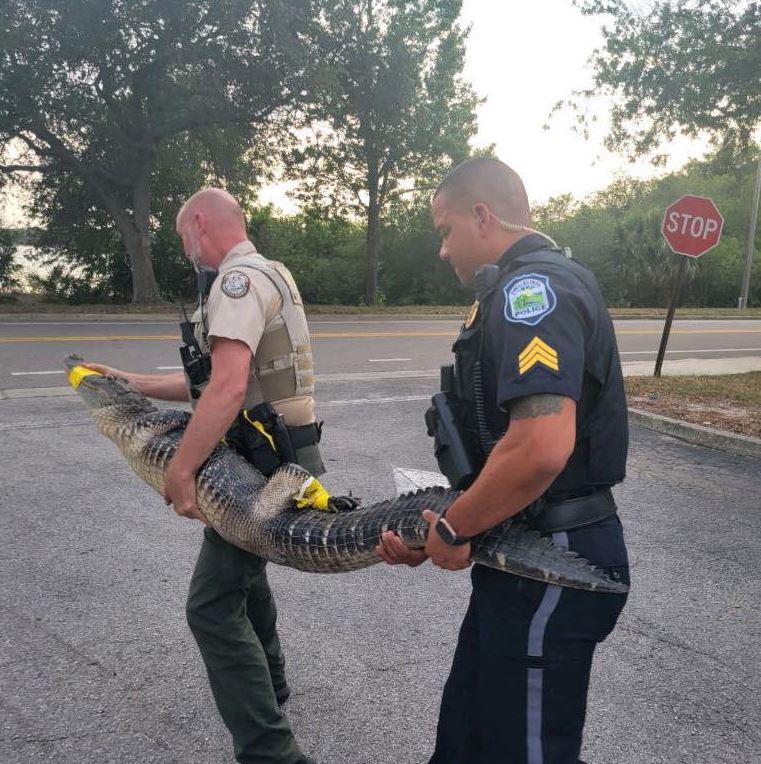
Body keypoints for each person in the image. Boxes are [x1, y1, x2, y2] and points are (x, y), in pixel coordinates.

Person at [376, 158, 630, 764]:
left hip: (554, 559)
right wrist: (444, 531)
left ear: (483, 217)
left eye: (445, 230)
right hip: (517, 551)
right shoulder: (515, 289)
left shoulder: (532, 291)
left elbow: (541, 445)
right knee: (465, 744)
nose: (442, 250)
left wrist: (457, 528)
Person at [87, 188, 319, 764]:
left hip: (264, 467)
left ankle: (271, 752)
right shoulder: (272, 273)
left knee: (211, 607)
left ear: (198, 223)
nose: (184, 248)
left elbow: (227, 387)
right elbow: (212, 376)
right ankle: (273, 686)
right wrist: (132, 382)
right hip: (277, 459)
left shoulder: (235, 281)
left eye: (181, 235)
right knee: (243, 574)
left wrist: (183, 470)